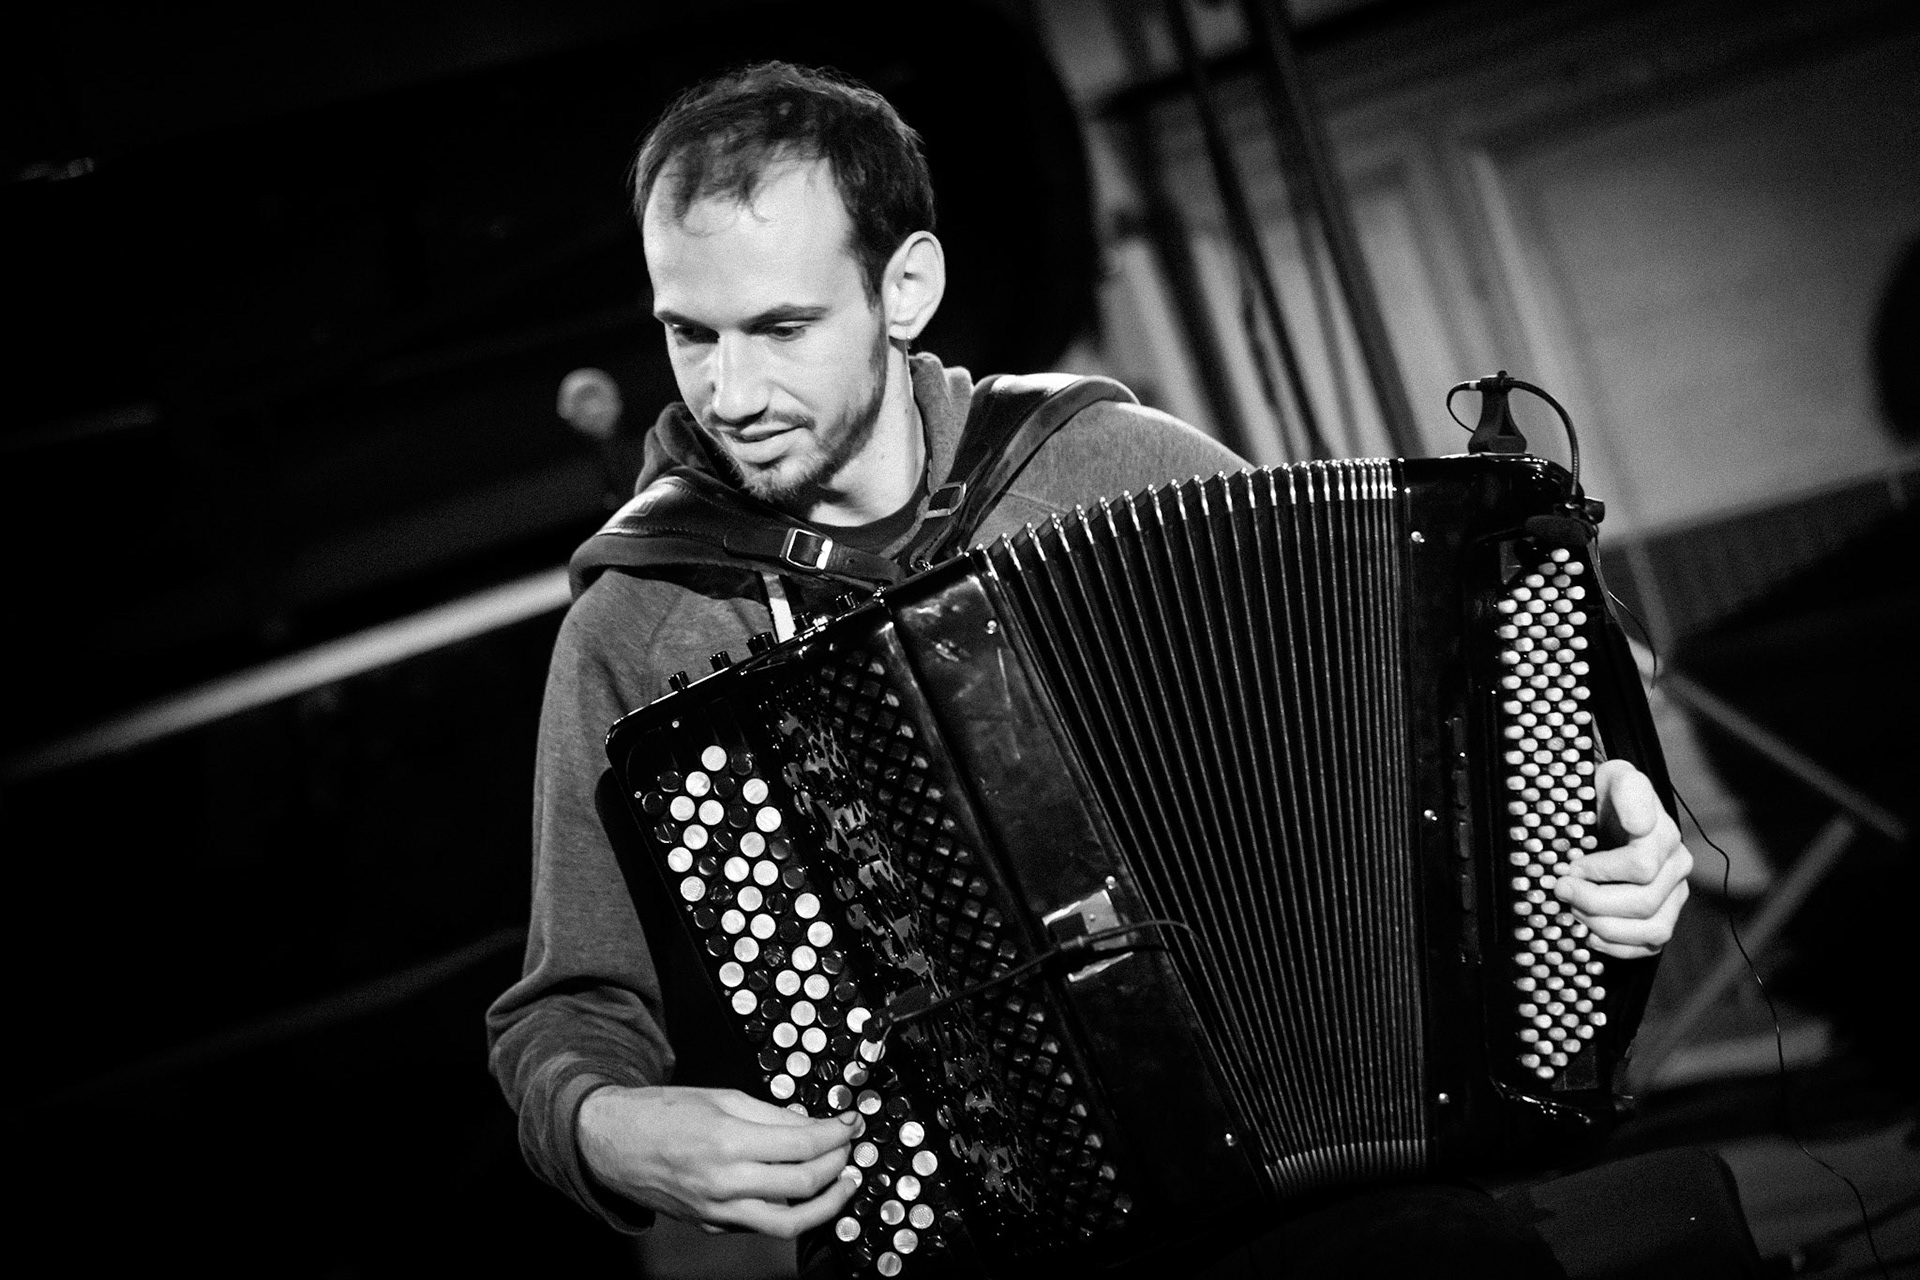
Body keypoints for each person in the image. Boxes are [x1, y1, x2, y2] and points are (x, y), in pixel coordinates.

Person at [486, 61, 1693, 1275]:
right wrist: (604, 1127)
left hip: (1306, 1195)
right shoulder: (642, 621)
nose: (729, 392)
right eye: (689, 335)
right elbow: (562, 1016)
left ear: (905, 287)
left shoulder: (1114, 464)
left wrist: (1593, 815)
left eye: (782, 329)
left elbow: (1427, 728)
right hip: (973, 1243)